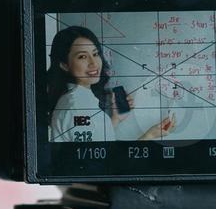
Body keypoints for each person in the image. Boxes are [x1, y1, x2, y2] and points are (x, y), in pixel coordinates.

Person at [39, 26, 175, 143]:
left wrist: (114, 120)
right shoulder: (79, 107)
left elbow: (93, 140)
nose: (93, 63)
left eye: (95, 54)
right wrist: (150, 135)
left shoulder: (77, 98)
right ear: (64, 65)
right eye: (82, 56)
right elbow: (104, 165)